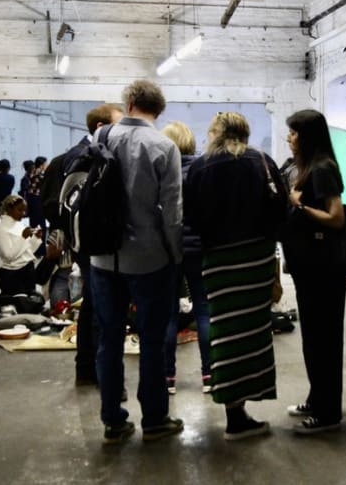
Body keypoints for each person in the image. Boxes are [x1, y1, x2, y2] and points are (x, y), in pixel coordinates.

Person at [89, 80, 184, 444]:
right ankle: (155, 419)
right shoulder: (164, 147)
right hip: (149, 259)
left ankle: (113, 421)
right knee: (152, 340)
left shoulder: (100, 138)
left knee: (109, 339)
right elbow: (172, 212)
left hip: (103, 257)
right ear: (158, 111)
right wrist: (175, 255)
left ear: (129, 103)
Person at [184, 112, 288, 440]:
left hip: (218, 259)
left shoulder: (201, 167)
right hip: (256, 257)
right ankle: (244, 407)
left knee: (225, 331)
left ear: (216, 132)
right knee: (255, 330)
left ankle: (234, 410)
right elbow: (280, 207)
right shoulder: (262, 161)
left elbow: (190, 215)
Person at [40, 103, 124, 386]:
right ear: (101, 127)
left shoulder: (66, 158)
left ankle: (86, 369)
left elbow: (51, 205)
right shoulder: (88, 158)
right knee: (103, 308)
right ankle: (101, 374)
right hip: (95, 244)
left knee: (92, 304)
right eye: (118, 125)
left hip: (83, 244)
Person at [280, 109, 346, 435]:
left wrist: (300, 206)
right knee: (312, 337)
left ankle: (328, 412)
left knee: (324, 340)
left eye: (294, 133)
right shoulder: (306, 166)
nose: (289, 138)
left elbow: (336, 217)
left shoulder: (322, 168)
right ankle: (316, 397)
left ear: (308, 136)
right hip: (309, 266)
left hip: (323, 269)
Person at [160, 120, 212, 396]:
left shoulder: (162, 171)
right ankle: (209, 375)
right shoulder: (203, 170)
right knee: (203, 310)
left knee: (168, 313)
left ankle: (168, 377)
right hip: (199, 249)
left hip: (169, 250)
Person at [0, 193, 41, 295]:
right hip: (13, 273)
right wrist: (23, 238)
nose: (23, 214)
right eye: (20, 210)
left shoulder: (19, 224)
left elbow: (27, 251)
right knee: (17, 302)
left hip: (27, 269)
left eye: (25, 210)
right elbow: (9, 256)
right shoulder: (3, 228)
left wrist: (36, 238)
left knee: (30, 302)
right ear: (9, 209)